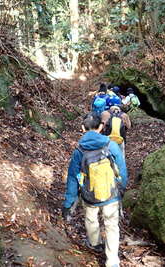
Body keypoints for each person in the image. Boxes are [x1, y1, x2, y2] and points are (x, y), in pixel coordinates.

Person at [62, 113, 127, 267]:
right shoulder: (111, 145)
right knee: (111, 225)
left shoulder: (79, 150)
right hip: (111, 194)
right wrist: (121, 187)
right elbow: (122, 169)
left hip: (89, 195)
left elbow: (73, 177)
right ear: (101, 126)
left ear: (82, 128)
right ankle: (112, 261)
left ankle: (95, 243)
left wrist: (69, 203)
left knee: (91, 219)